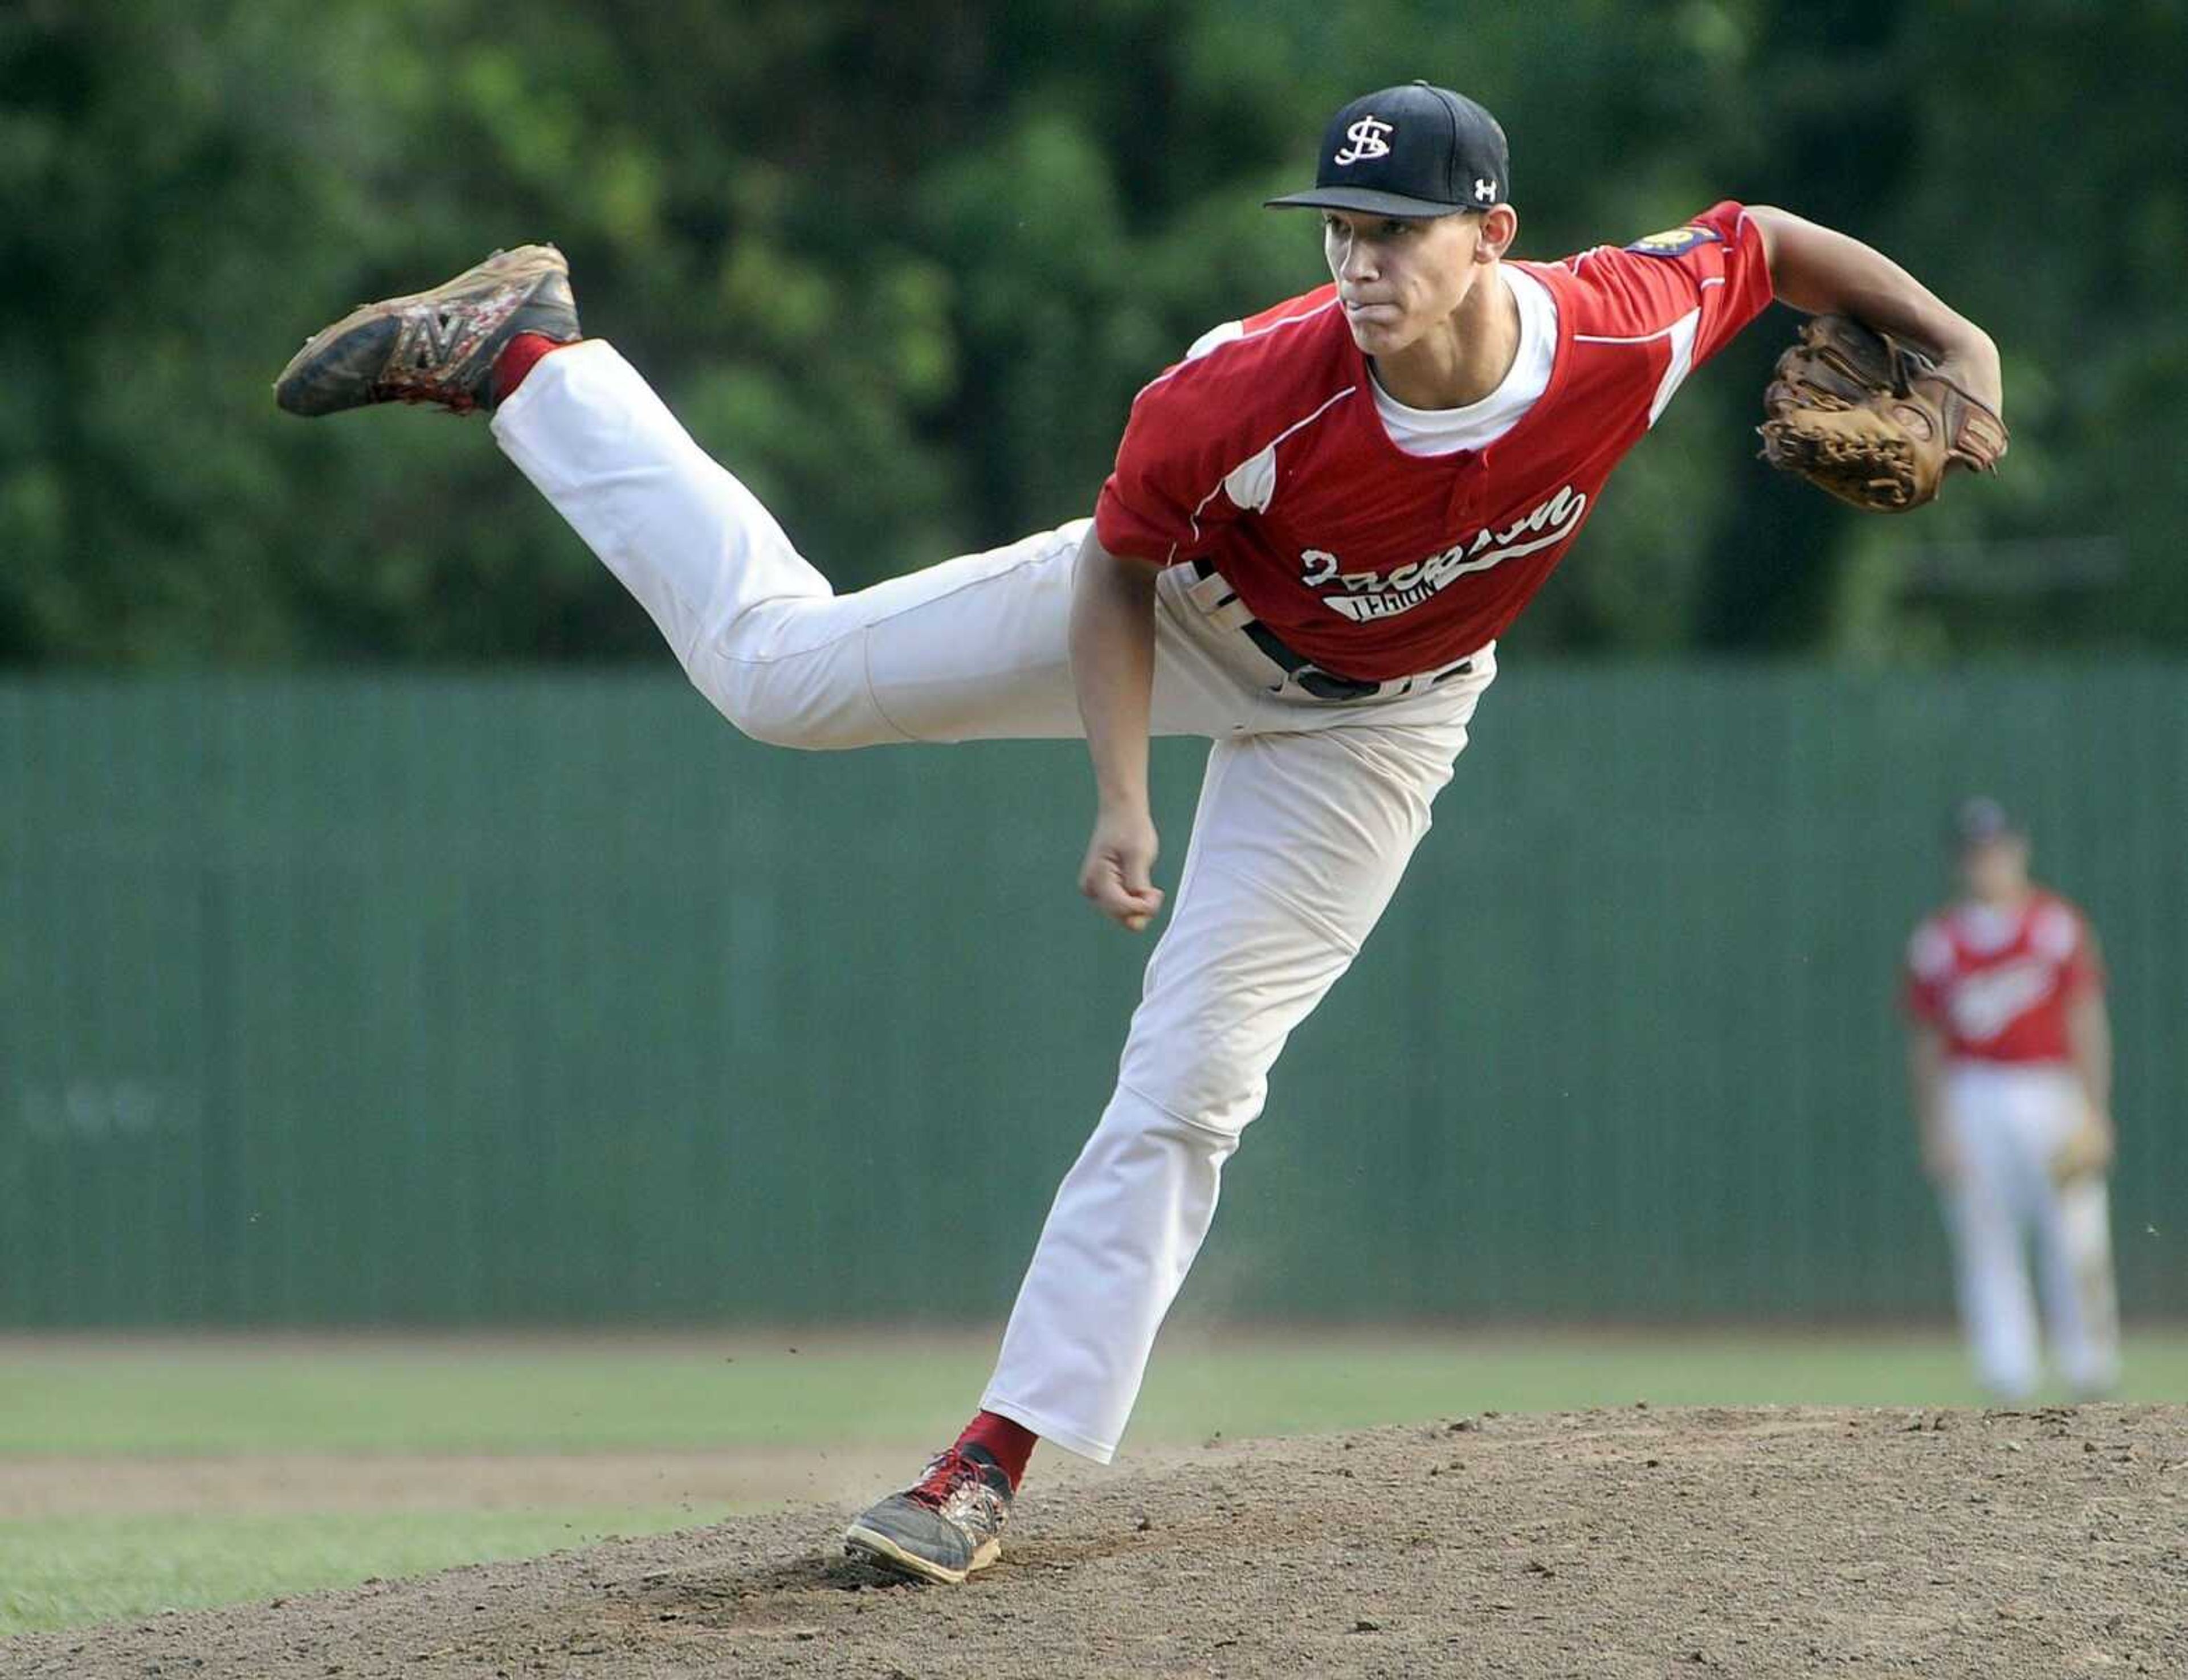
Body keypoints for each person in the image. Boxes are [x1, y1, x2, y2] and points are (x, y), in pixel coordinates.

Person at [276, 81, 2006, 1583]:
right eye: (1340, 224)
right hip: (1176, 610)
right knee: (777, 677)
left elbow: (1766, 239)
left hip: (1384, 723)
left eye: (1399, 230)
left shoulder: (1620, 327)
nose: (1361, 261)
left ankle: (982, 1467)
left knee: (1193, 1080)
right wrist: (1119, 794)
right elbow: (1112, 564)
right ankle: (522, 353)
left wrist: (1959, 340)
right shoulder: (1250, 389)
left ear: (1493, 234)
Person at [1904, 797, 2120, 1401]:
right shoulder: (1939, 940)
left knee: (2075, 1229)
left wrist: (2095, 1107)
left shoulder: (2055, 924)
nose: (1987, 863)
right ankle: (2007, 1369)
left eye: (1997, 849)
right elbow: (1924, 1043)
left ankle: (2090, 1365)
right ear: (1960, 862)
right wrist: (1936, 1126)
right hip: (1972, 1090)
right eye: (1975, 853)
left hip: (2051, 1083)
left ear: (2019, 851)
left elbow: (2086, 1018)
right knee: (1984, 1232)